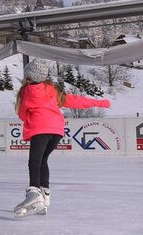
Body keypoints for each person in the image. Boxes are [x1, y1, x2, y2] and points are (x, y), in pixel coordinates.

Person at [13, 58, 111, 218]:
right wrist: (100, 103)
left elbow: (22, 113)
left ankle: (33, 192)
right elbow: (75, 101)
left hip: (40, 128)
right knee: (43, 160)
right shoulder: (52, 90)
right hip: (57, 130)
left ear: (28, 76)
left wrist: (29, 119)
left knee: (35, 161)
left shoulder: (25, 92)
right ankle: (44, 198)